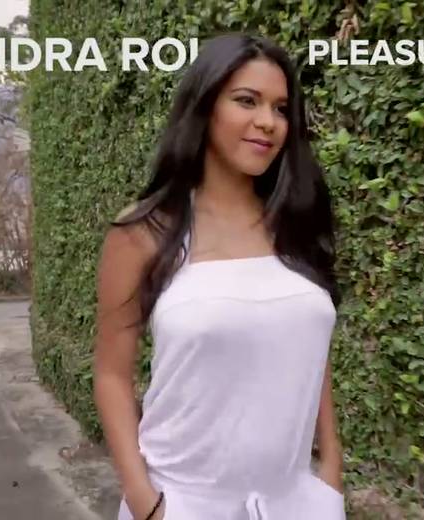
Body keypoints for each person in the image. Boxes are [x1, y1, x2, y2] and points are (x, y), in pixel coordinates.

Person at [92, 33, 346, 520]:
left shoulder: (295, 223)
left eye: (281, 108)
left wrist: (330, 465)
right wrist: (146, 503)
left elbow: (312, 349)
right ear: (205, 107)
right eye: (247, 101)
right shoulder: (145, 233)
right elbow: (111, 375)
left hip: (297, 502)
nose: (268, 121)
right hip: (183, 503)